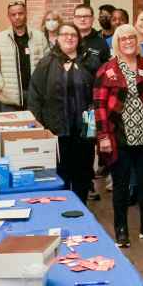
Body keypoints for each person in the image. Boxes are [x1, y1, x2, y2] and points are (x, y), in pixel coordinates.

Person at [93, 24, 143, 247]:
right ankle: (121, 228)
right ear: (117, 42)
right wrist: (103, 136)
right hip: (119, 136)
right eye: (123, 39)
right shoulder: (107, 69)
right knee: (121, 185)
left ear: (137, 41)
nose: (128, 42)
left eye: (131, 38)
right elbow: (100, 106)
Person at [28, 23, 97, 203]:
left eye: (73, 34)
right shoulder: (46, 63)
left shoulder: (89, 62)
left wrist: (93, 128)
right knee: (62, 173)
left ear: (78, 39)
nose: (69, 38)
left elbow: (97, 96)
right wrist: (41, 127)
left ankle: (82, 208)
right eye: (65, 34)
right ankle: (63, 207)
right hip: (57, 130)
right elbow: (35, 97)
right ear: (57, 38)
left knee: (82, 174)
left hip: (84, 130)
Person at [0, 1, 47, 110]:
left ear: (26, 13)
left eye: (20, 13)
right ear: (9, 16)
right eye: (13, 14)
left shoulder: (39, 37)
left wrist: (42, 86)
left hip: (35, 96)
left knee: (35, 126)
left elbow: (47, 64)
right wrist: (1, 85)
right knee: (11, 127)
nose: (17, 17)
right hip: (8, 99)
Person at [73, 3, 110, 73]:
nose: (82, 19)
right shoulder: (68, 40)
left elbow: (105, 70)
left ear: (92, 19)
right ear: (74, 19)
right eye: (78, 16)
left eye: (86, 16)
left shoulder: (101, 42)